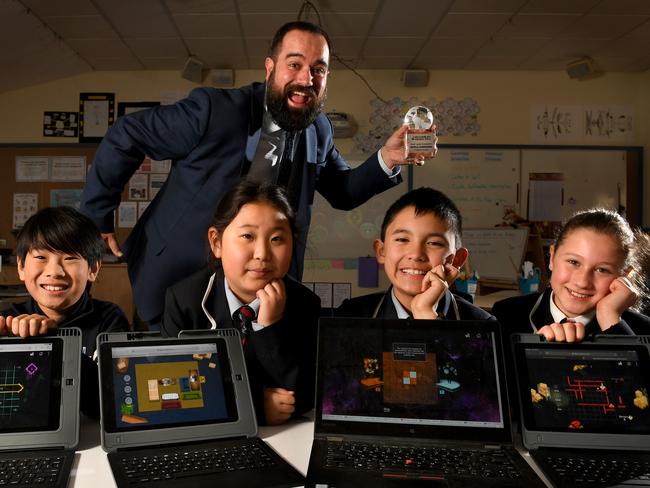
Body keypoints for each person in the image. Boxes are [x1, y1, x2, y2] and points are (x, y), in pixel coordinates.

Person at [80, 20, 423, 328]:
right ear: (270, 68)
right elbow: (127, 134)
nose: (306, 79)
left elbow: (343, 191)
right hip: (177, 274)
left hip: (262, 286)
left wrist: (387, 158)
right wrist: (96, 215)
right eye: (295, 65)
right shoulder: (214, 111)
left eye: (319, 69)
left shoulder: (319, 129)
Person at [162, 181, 320, 426]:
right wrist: (254, 406)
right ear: (217, 243)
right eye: (247, 236)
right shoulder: (185, 301)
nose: (262, 254)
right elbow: (174, 396)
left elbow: (307, 395)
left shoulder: (305, 304)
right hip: (210, 440)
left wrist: (269, 328)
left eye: (277, 238)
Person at [0, 207, 129, 418]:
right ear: (21, 267)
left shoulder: (110, 319)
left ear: (93, 269)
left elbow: (114, 402)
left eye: (70, 258)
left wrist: (57, 340)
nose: (54, 271)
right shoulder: (9, 323)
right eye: (41, 257)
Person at [492, 208, 650, 342]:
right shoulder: (506, 315)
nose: (582, 282)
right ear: (552, 257)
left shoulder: (641, 329)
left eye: (602, 270)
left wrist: (610, 318)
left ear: (625, 275)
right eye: (573, 262)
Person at [337, 187, 494, 321]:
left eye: (434, 243)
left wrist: (425, 313)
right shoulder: (350, 316)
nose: (416, 254)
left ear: (457, 259)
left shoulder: (483, 325)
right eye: (403, 239)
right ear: (381, 251)